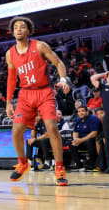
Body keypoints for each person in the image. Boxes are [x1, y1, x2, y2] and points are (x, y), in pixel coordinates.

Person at [5, 16, 69, 186]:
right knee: (16, 130)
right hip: (25, 95)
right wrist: (8, 102)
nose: (19, 29)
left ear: (28, 31)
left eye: (22, 27)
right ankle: (23, 163)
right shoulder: (10, 54)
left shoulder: (40, 46)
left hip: (44, 92)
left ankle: (60, 168)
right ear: (12, 32)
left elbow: (58, 62)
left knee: (52, 128)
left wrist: (63, 80)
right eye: (16, 27)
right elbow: (12, 79)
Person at [70, 106, 100, 170]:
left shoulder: (93, 119)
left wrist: (81, 140)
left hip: (93, 140)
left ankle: (92, 163)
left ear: (87, 112)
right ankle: (78, 164)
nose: (81, 113)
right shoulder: (78, 120)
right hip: (82, 141)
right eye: (79, 111)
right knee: (71, 143)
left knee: (90, 141)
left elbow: (94, 133)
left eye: (83, 111)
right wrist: (76, 140)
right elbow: (75, 132)